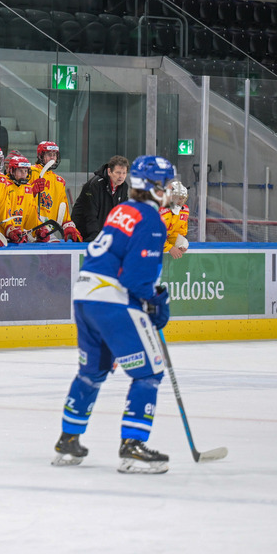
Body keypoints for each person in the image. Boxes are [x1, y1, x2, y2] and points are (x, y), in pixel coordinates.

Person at [52, 155, 177, 474]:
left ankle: (68, 441)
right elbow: (136, 280)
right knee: (149, 372)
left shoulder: (122, 210)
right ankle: (132, 447)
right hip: (111, 300)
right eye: (165, 184)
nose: (170, 191)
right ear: (153, 187)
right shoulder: (151, 220)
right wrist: (155, 301)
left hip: (84, 295)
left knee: (92, 371)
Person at [30, 141, 81, 242]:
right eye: (49, 155)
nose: (52, 158)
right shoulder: (30, 172)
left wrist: (68, 225)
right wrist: (32, 191)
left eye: (55, 155)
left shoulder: (59, 181)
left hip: (47, 232)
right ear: (40, 156)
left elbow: (63, 206)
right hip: (29, 229)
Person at [71, 155, 130, 242]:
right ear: (109, 171)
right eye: (118, 173)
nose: (121, 176)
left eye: (124, 173)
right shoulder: (95, 184)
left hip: (103, 235)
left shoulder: (123, 187)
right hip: (84, 234)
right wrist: (95, 236)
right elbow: (90, 213)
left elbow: (122, 213)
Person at [0, 153, 44, 244]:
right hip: (1, 235)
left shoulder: (27, 188)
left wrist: (39, 229)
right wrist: (10, 230)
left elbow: (32, 214)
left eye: (26, 171)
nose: (24, 174)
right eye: (20, 171)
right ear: (12, 171)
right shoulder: (3, 185)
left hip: (19, 235)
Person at [160, 180, 189, 259]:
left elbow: (177, 232)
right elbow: (152, 235)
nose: (181, 201)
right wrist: (169, 248)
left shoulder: (184, 211)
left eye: (183, 198)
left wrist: (179, 244)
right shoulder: (159, 210)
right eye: (178, 198)